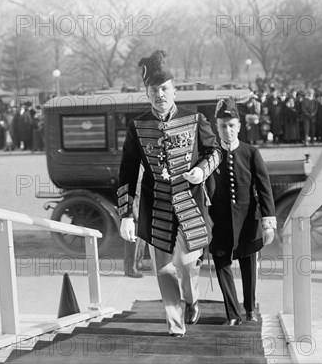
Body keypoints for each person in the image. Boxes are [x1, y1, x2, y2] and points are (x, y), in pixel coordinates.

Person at [117, 50, 221, 337]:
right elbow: (127, 173)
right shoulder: (136, 126)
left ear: (174, 91)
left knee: (188, 266)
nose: (160, 94)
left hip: (190, 203)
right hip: (156, 206)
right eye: (154, 90)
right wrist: (127, 214)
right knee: (163, 269)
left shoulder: (196, 118)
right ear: (146, 93)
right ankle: (175, 324)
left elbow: (216, 151)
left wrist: (202, 170)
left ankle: (192, 299)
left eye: (164, 89)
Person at [207, 98, 277, 326]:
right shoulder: (211, 155)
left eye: (231, 126)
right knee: (222, 264)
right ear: (217, 128)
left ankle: (250, 310)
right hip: (220, 222)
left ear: (239, 127)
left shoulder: (251, 152)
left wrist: (268, 223)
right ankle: (232, 314)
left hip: (248, 220)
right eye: (222, 126)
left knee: (249, 268)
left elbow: (264, 187)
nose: (227, 131)